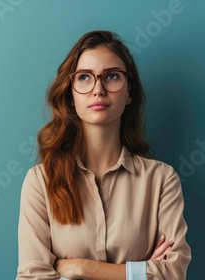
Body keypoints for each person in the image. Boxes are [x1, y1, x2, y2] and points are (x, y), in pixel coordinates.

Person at [16, 30, 191, 280]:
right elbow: (33, 278)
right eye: (85, 78)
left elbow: (173, 273)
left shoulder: (161, 180)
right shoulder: (40, 182)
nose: (98, 89)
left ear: (129, 90)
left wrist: (79, 268)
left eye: (111, 76)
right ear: (70, 93)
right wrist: (139, 272)